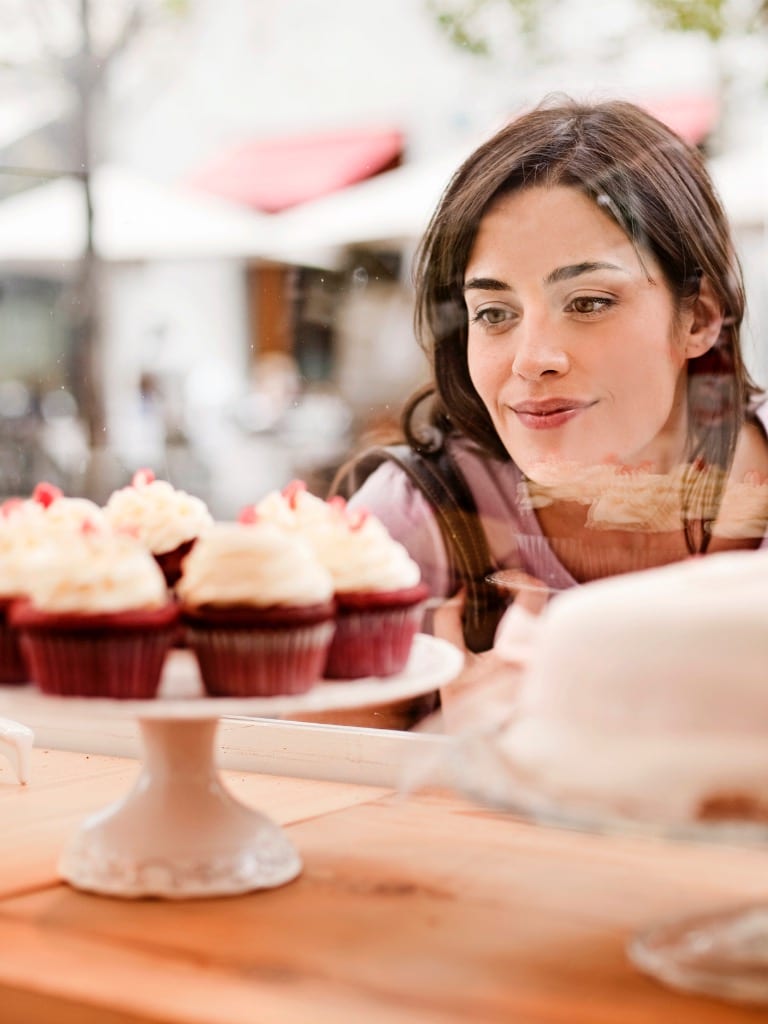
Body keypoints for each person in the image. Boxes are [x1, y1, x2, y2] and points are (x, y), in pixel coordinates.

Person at [334, 95, 768, 727]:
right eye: (494, 313)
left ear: (698, 318)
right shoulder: (412, 527)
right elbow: (295, 775)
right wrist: (452, 753)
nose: (532, 360)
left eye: (588, 302)